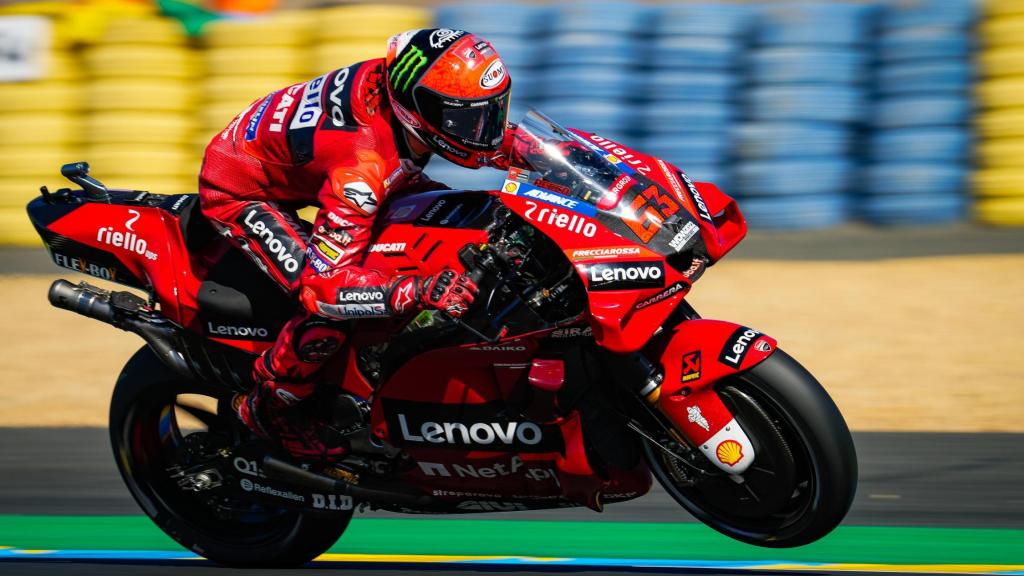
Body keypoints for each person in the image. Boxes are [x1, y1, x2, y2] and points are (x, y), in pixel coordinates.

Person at [198, 28, 514, 461]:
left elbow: (503, 141)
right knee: (330, 314)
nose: (484, 129)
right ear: (415, 109)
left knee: (456, 218)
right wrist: (416, 292)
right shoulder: (361, 171)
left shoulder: (408, 94)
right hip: (244, 191)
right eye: (467, 118)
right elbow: (323, 288)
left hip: (310, 158)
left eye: (491, 111)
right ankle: (269, 408)